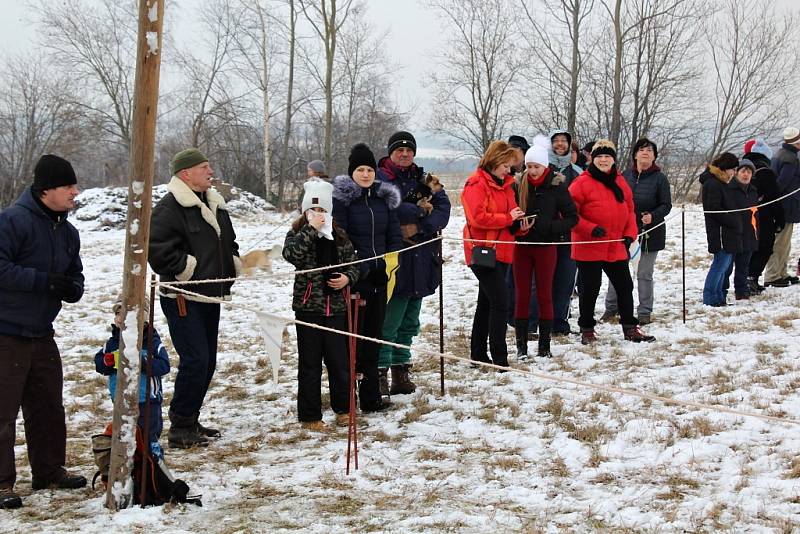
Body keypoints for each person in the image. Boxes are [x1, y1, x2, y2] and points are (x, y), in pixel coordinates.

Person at [0, 154, 87, 509]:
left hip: (42, 332)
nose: (75, 192)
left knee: (49, 405)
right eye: (68, 185)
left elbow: (76, 274)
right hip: (6, 331)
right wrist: (43, 282)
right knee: (3, 411)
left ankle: (49, 470)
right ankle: (2, 483)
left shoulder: (67, 231)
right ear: (46, 189)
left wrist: (72, 288)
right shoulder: (12, 222)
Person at [148, 148, 241, 448]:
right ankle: (180, 426)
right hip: (182, 296)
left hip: (210, 294)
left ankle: (191, 418)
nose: (210, 171)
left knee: (208, 361)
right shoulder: (169, 207)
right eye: (204, 167)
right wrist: (187, 269)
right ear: (185, 173)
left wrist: (233, 261)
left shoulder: (214, 202)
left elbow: (229, 239)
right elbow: (157, 248)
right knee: (195, 360)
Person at [377, 131, 450, 397]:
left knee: (410, 319)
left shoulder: (426, 179)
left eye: (409, 150)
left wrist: (421, 227)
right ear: (391, 152)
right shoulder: (381, 178)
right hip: (395, 258)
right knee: (390, 319)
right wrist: (419, 211)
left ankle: (401, 370)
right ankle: (380, 371)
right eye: (399, 150)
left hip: (422, 255)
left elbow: (443, 208)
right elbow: (389, 209)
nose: (405, 154)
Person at [283, 181, 359, 430]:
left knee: (340, 362)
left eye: (323, 211)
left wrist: (348, 278)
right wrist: (310, 231)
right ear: (305, 212)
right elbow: (292, 255)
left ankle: (345, 409)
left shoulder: (339, 236)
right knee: (309, 363)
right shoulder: (297, 233)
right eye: (313, 211)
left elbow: (354, 264)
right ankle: (310, 416)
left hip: (336, 308)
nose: (319, 215)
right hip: (309, 308)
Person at [332, 143, 402, 412]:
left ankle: (371, 397)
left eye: (369, 169)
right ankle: (346, 396)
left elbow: (393, 234)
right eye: (360, 170)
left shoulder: (383, 199)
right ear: (352, 173)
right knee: (354, 338)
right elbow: (341, 238)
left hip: (381, 275)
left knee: (374, 334)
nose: (365, 174)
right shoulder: (344, 201)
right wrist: (359, 269)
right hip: (356, 277)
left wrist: (390, 262)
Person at [568, 140, 655, 344]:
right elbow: (570, 214)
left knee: (625, 285)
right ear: (593, 159)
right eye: (599, 156)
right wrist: (589, 228)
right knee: (590, 288)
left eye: (607, 156)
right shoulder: (581, 182)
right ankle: (587, 329)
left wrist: (629, 234)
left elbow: (630, 210)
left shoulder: (620, 181)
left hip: (615, 244)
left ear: (613, 159)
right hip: (589, 245)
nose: (603, 160)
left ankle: (630, 327)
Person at [461, 140, 525, 367]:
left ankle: (477, 354)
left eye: (510, 166)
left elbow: (509, 214)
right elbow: (477, 217)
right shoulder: (475, 184)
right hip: (482, 251)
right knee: (500, 302)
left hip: (504, 249)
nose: (509, 170)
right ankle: (500, 358)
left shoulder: (507, 186)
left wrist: (518, 224)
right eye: (506, 165)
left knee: (486, 303)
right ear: (494, 161)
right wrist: (508, 219)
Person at [512, 140, 577, 359]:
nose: (532, 171)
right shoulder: (518, 184)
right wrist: (517, 226)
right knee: (521, 294)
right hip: (522, 246)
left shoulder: (557, 186)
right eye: (528, 166)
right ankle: (521, 345)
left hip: (546, 246)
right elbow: (510, 213)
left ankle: (544, 345)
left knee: (544, 294)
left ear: (545, 166)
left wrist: (548, 226)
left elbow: (572, 218)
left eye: (536, 167)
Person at [602, 138, 672, 325]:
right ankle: (611, 308)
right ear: (635, 154)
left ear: (654, 156)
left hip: (651, 232)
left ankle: (644, 312)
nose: (645, 153)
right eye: (642, 150)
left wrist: (654, 215)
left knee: (644, 274)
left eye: (649, 150)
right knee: (617, 271)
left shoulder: (660, 178)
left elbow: (666, 205)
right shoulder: (624, 176)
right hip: (624, 232)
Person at [95, 296, 169, 459]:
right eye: (118, 313)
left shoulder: (152, 342)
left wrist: (141, 361)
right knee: (125, 436)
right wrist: (107, 362)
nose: (121, 317)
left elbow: (164, 366)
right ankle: (128, 469)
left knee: (147, 437)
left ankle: (153, 467)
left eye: (127, 313)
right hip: (121, 401)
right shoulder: (113, 343)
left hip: (147, 402)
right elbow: (99, 363)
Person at [548, 129, 583, 337]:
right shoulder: (541, 167)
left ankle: (560, 321)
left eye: (564, 141)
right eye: (556, 141)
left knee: (566, 280)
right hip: (547, 234)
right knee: (545, 280)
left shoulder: (577, 172)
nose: (560, 144)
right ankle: (542, 320)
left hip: (571, 234)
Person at [742, 138, 785, 292]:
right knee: (765, 246)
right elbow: (774, 197)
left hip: (744, 213)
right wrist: (780, 219)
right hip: (762, 215)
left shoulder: (742, 169)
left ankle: (745, 278)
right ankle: (751, 278)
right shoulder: (765, 172)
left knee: (750, 247)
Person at [699, 152, 742, 307]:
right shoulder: (713, 184)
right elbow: (714, 209)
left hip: (728, 232)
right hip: (720, 232)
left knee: (723, 267)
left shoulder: (722, 182)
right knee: (719, 266)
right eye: (733, 169)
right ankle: (710, 298)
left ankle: (718, 297)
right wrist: (733, 221)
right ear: (725, 168)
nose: (734, 173)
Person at [763, 127, 800, 287]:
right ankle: (772, 275)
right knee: (781, 242)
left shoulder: (780, 154)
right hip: (786, 206)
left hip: (785, 206)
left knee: (785, 242)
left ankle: (781, 273)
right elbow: (782, 184)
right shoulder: (790, 159)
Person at [723, 160, 759, 300]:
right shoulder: (729, 189)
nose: (746, 175)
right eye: (743, 171)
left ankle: (742, 291)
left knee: (743, 266)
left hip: (749, 232)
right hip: (733, 233)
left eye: (749, 172)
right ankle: (722, 290)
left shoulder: (753, 191)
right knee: (727, 267)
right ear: (737, 173)